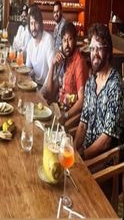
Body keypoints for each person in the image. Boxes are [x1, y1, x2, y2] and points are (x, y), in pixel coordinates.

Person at [74, 23, 124, 160]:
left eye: (99, 48)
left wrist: (82, 156)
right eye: (92, 48)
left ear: (108, 52)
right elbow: (83, 124)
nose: (94, 54)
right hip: (84, 155)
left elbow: (106, 140)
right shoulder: (91, 81)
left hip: (102, 161)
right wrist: (73, 150)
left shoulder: (115, 86)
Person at [41, 22, 89, 125]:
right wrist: (53, 66)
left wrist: (65, 116)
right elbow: (49, 92)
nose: (67, 44)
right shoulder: (63, 59)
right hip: (58, 107)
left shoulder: (79, 62)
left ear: (75, 40)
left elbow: (82, 101)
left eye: (70, 39)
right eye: (64, 40)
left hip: (70, 114)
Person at [26, 5, 54, 87]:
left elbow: (51, 72)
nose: (33, 27)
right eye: (31, 23)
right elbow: (28, 68)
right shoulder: (30, 43)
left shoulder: (48, 39)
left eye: (36, 23)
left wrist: (42, 92)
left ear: (41, 23)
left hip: (47, 86)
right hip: (35, 84)